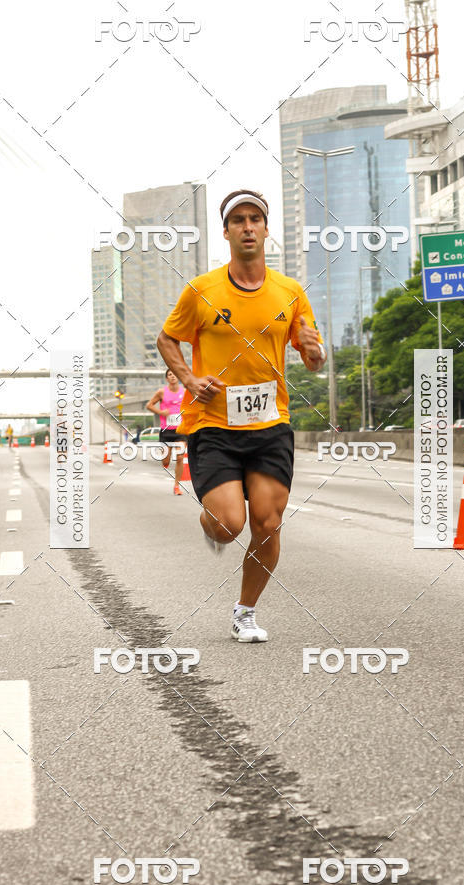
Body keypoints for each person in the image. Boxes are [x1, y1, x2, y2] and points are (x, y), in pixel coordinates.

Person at [157, 189, 325, 643]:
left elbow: (313, 357)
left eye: (255, 219)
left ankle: (245, 611)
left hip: (270, 425)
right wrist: (190, 381)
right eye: (238, 220)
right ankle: (210, 521)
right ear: (227, 232)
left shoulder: (290, 293)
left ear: (266, 230)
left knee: (268, 523)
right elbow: (167, 339)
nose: (248, 227)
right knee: (229, 525)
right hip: (213, 425)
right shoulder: (201, 291)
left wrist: (314, 352)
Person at [146, 369, 187, 495]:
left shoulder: (185, 392)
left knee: (180, 457)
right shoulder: (162, 392)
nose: (173, 376)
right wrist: (161, 412)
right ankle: (166, 461)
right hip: (166, 430)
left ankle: (176, 486)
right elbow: (149, 405)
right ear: (167, 378)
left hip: (180, 430)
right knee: (165, 461)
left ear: (178, 377)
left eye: (174, 374)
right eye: (170, 375)